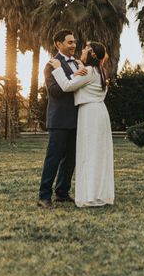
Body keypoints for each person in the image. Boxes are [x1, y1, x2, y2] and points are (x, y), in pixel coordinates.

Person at [49, 41, 114, 208]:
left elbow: (67, 85)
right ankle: (100, 194)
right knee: (99, 155)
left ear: (92, 54)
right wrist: (79, 65)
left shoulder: (89, 71)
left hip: (90, 113)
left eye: (86, 48)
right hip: (100, 112)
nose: (82, 50)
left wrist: (57, 68)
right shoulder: (100, 71)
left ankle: (90, 196)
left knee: (89, 154)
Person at [37, 29, 87, 209]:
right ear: (59, 44)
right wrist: (73, 78)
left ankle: (62, 192)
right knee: (54, 158)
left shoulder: (77, 63)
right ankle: (44, 196)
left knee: (71, 158)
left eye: (74, 42)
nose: (73, 45)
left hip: (77, 118)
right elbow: (55, 91)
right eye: (69, 42)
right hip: (59, 119)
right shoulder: (51, 65)